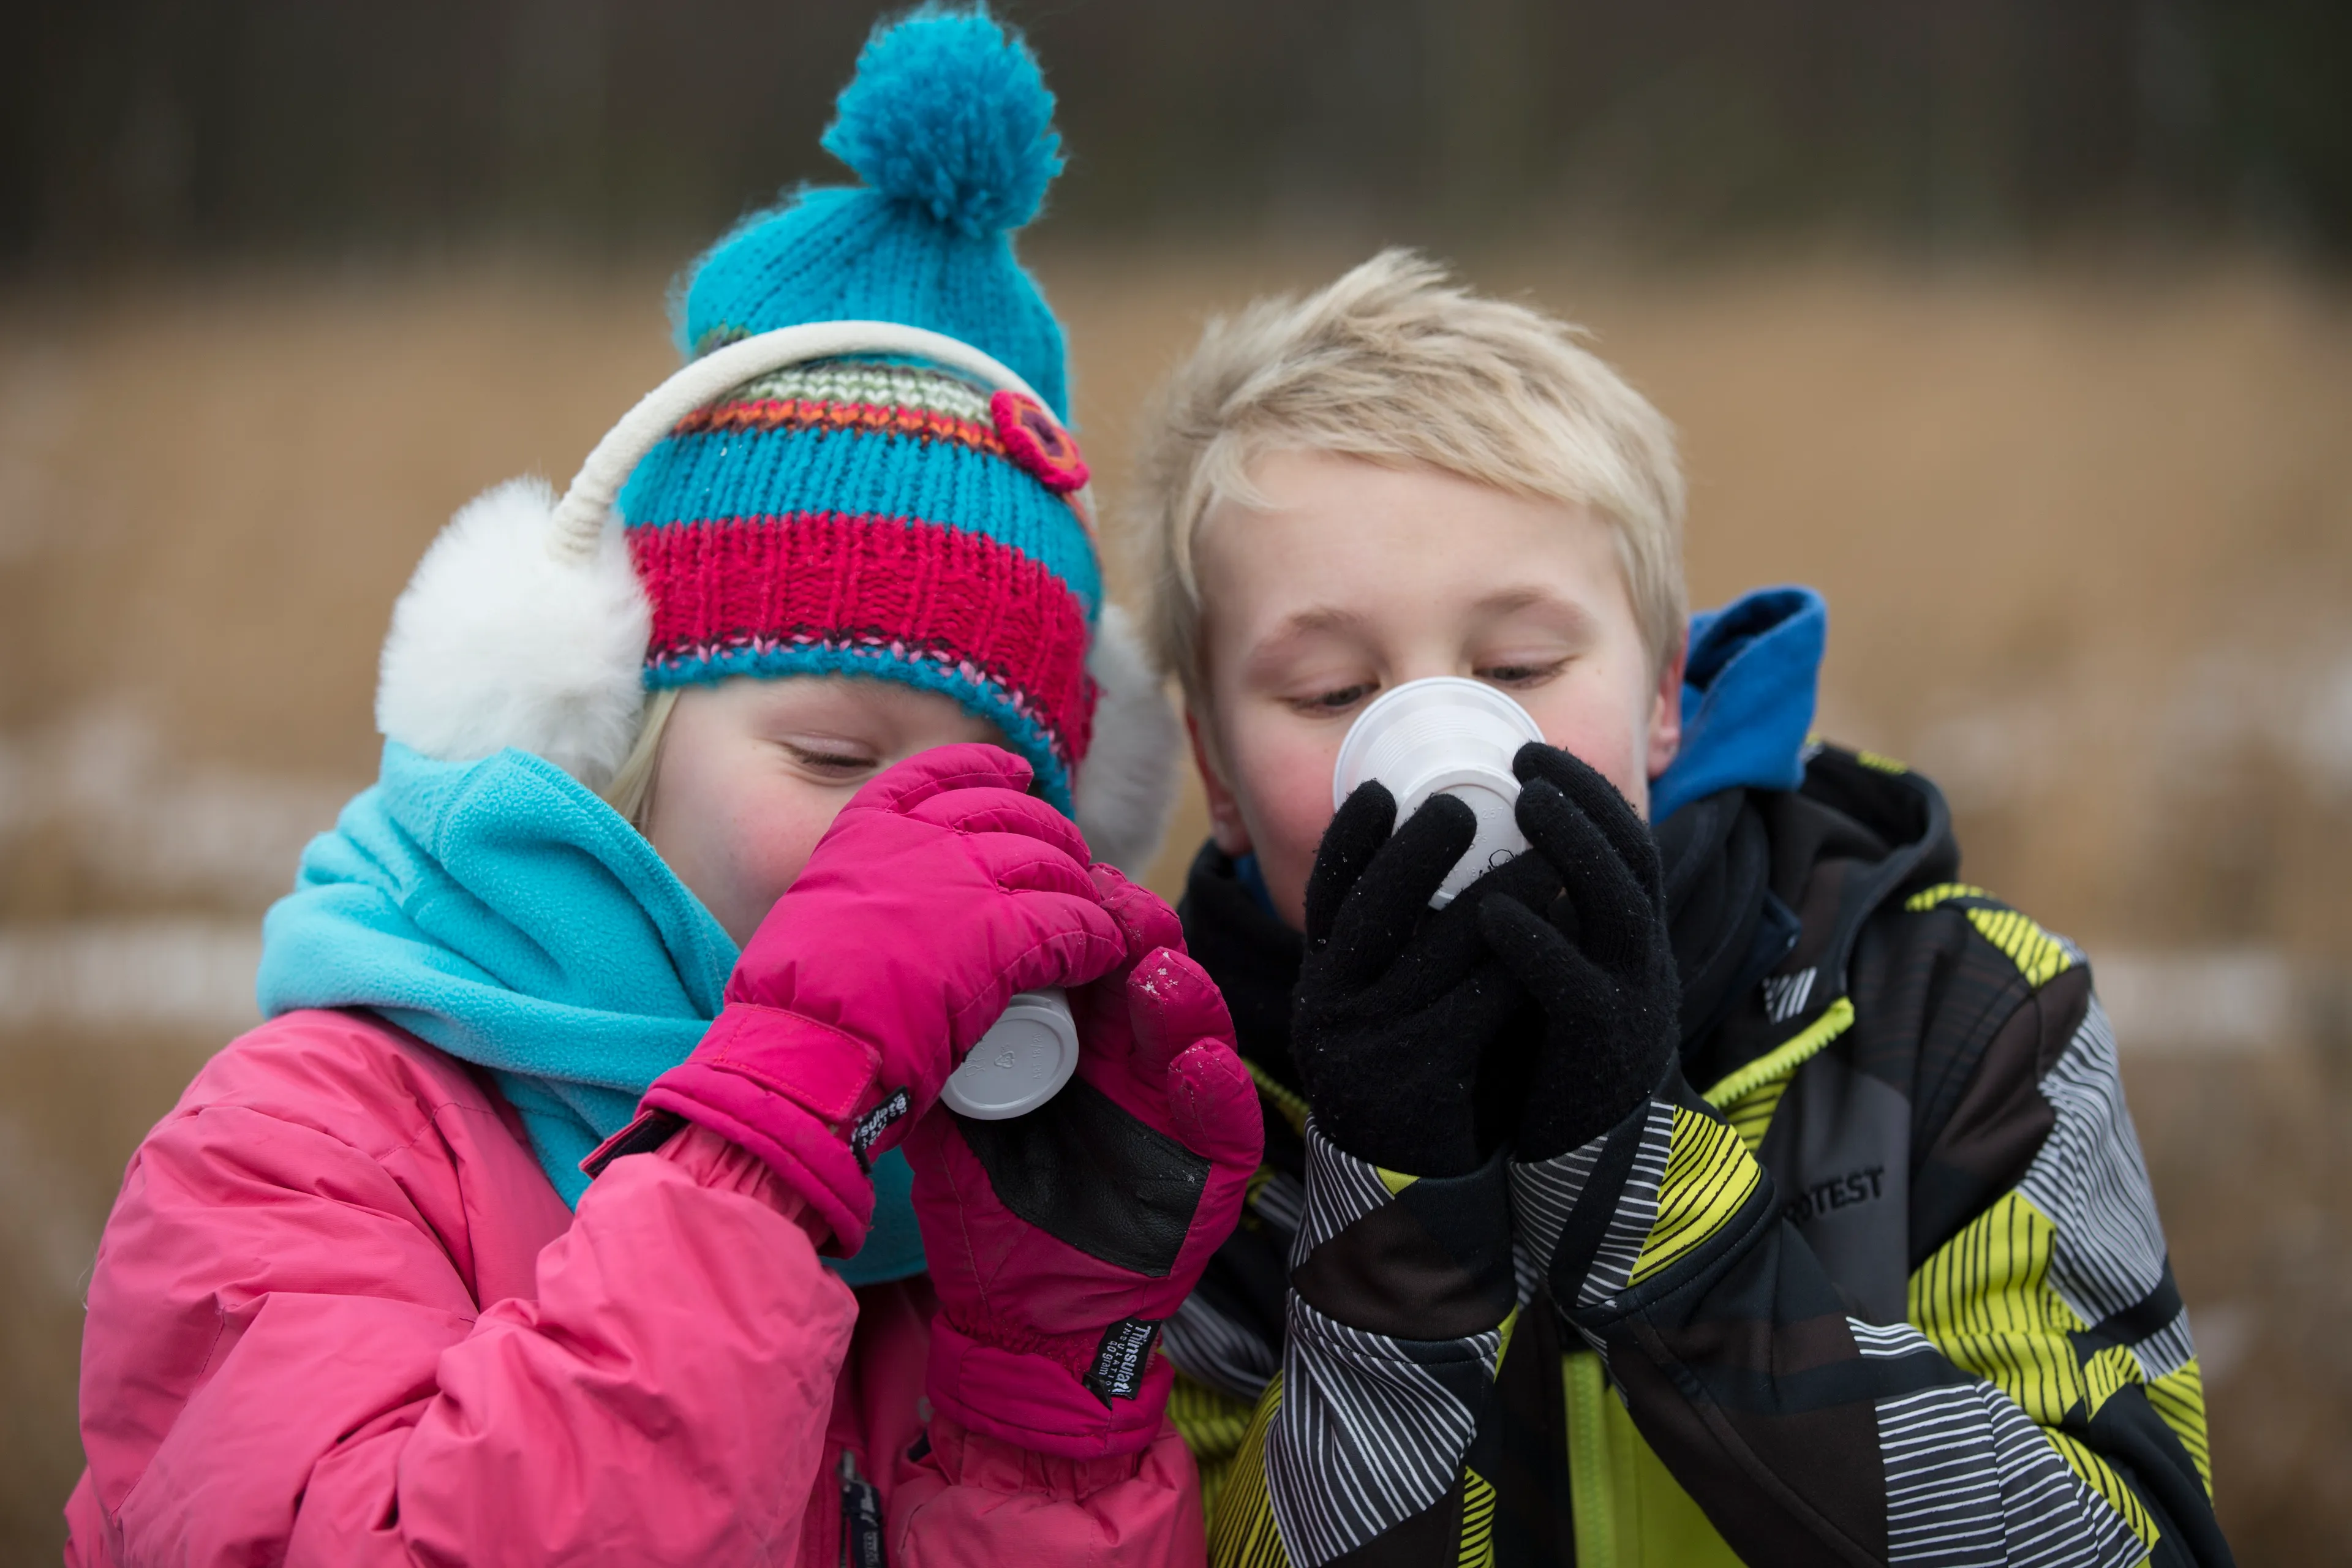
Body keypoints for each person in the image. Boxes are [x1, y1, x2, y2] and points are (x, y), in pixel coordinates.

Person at [66, 12, 1259, 1564]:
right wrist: (770, 1125)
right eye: (831, 757)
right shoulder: (308, 1143)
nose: (907, 844)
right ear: (615, 732)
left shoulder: (975, 1221)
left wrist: (1044, 1401)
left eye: (993, 794)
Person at [1131, 252, 2228, 1566]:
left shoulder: (1962, 1012)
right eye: (1331, 692)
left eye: (1519, 665)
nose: (1442, 760)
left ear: (1663, 697)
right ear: (1217, 774)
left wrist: (1645, 1186)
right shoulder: (1165, 1125)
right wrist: (1392, 1224)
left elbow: (2123, 1544)